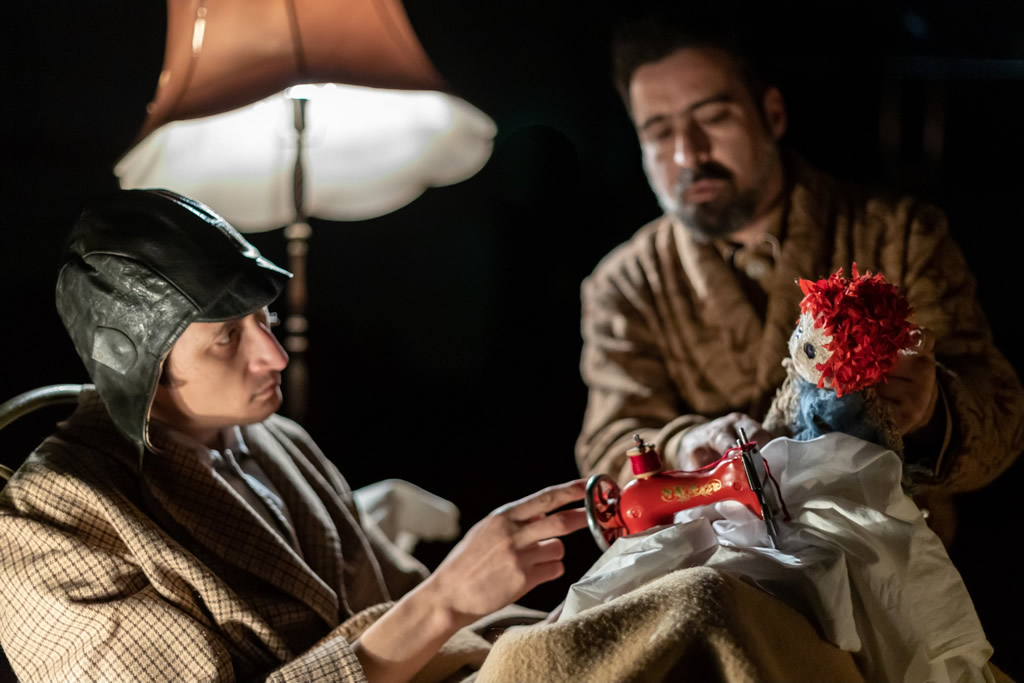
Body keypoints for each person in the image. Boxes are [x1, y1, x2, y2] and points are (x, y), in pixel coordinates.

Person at [0, 189, 587, 683]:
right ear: (132, 360)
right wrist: (444, 603)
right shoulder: (48, 529)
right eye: (228, 337)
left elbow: (396, 595)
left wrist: (576, 614)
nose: (275, 356)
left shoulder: (278, 440)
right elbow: (427, 610)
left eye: (266, 320)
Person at [575, 12, 1024, 544]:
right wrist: (682, 445)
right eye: (659, 132)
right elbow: (609, 446)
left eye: (713, 118)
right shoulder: (624, 285)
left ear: (772, 113)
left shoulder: (901, 234)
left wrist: (931, 411)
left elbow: (1002, 417)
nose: (687, 153)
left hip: (892, 559)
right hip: (716, 569)